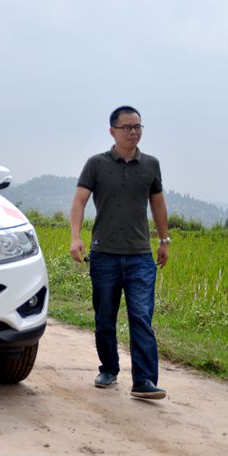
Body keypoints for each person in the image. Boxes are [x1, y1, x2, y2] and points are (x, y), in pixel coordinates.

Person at [69, 105, 169, 400]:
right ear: (112, 131)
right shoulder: (96, 164)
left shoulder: (151, 165)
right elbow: (79, 202)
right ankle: (109, 368)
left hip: (140, 256)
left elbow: (158, 203)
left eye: (138, 126)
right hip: (104, 255)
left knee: (141, 316)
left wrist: (164, 240)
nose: (133, 132)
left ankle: (144, 381)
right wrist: (76, 237)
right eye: (127, 127)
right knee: (105, 318)